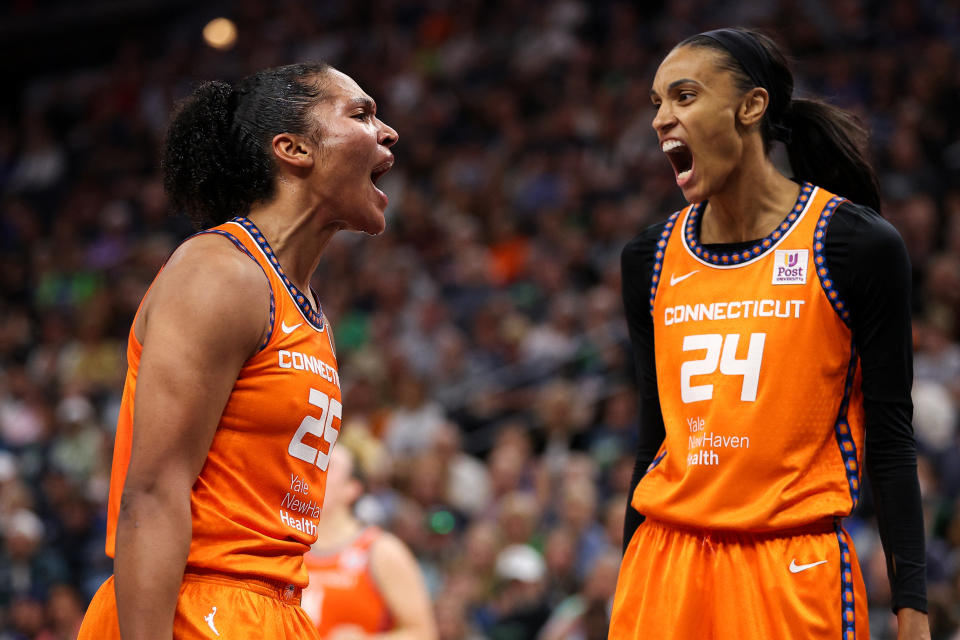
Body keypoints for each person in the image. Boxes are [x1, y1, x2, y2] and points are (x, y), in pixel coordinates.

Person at [610, 27, 929, 639]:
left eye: (683, 96)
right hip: (664, 568)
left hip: (791, 567)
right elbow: (652, 443)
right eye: (656, 103)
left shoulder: (851, 244)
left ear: (751, 107)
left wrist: (912, 611)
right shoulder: (649, 256)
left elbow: (892, 439)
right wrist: (630, 580)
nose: (661, 119)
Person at [77, 61, 398, 640]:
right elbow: (152, 493)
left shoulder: (303, 305)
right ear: (293, 149)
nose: (388, 131)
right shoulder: (221, 273)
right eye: (361, 113)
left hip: (276, 609)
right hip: (195, 605)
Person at [301, 446, 436, 640]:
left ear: (352, 489)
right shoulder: (288, 545)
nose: (316, 470)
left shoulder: (381, 550)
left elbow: (425, 634)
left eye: (328, 465)